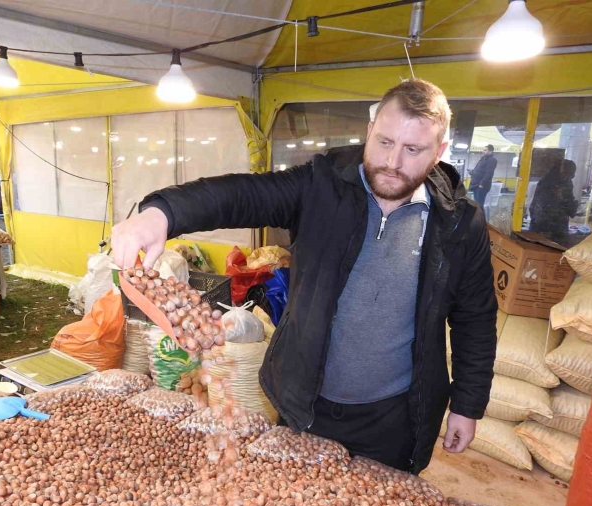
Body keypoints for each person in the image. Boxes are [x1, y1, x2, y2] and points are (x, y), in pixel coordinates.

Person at [113, 79, 498, 474]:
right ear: (369, 132)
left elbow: (475, 319)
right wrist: (161, 213)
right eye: (384, 142)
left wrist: (467, 406)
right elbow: (242, 195)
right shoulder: (322, 186)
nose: (393, 162)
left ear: (440, 153)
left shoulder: (458, 223)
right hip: (307, 404)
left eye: (413, 150)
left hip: (396, 416)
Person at [529, 159, 579, 241]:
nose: (570, 176)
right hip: (553, 230)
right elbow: (570, 208)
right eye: (569, 173)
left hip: (538, 226)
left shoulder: (545, 181)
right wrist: (574, 205)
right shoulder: (562, 184)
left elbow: (533, 207)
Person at [469, 144, 497, 211]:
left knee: (479, 205)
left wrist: (482, 184)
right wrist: (473, 172)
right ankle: (479, 220)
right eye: (483, 149)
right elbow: (481, 170)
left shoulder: (492, 160)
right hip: (476, 185)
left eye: (485, 150)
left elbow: (489, 173)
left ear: (490, 151)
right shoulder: (483, 159)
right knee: (477, 205)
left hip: (481, 186)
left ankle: (481, 220)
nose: (483, 151)